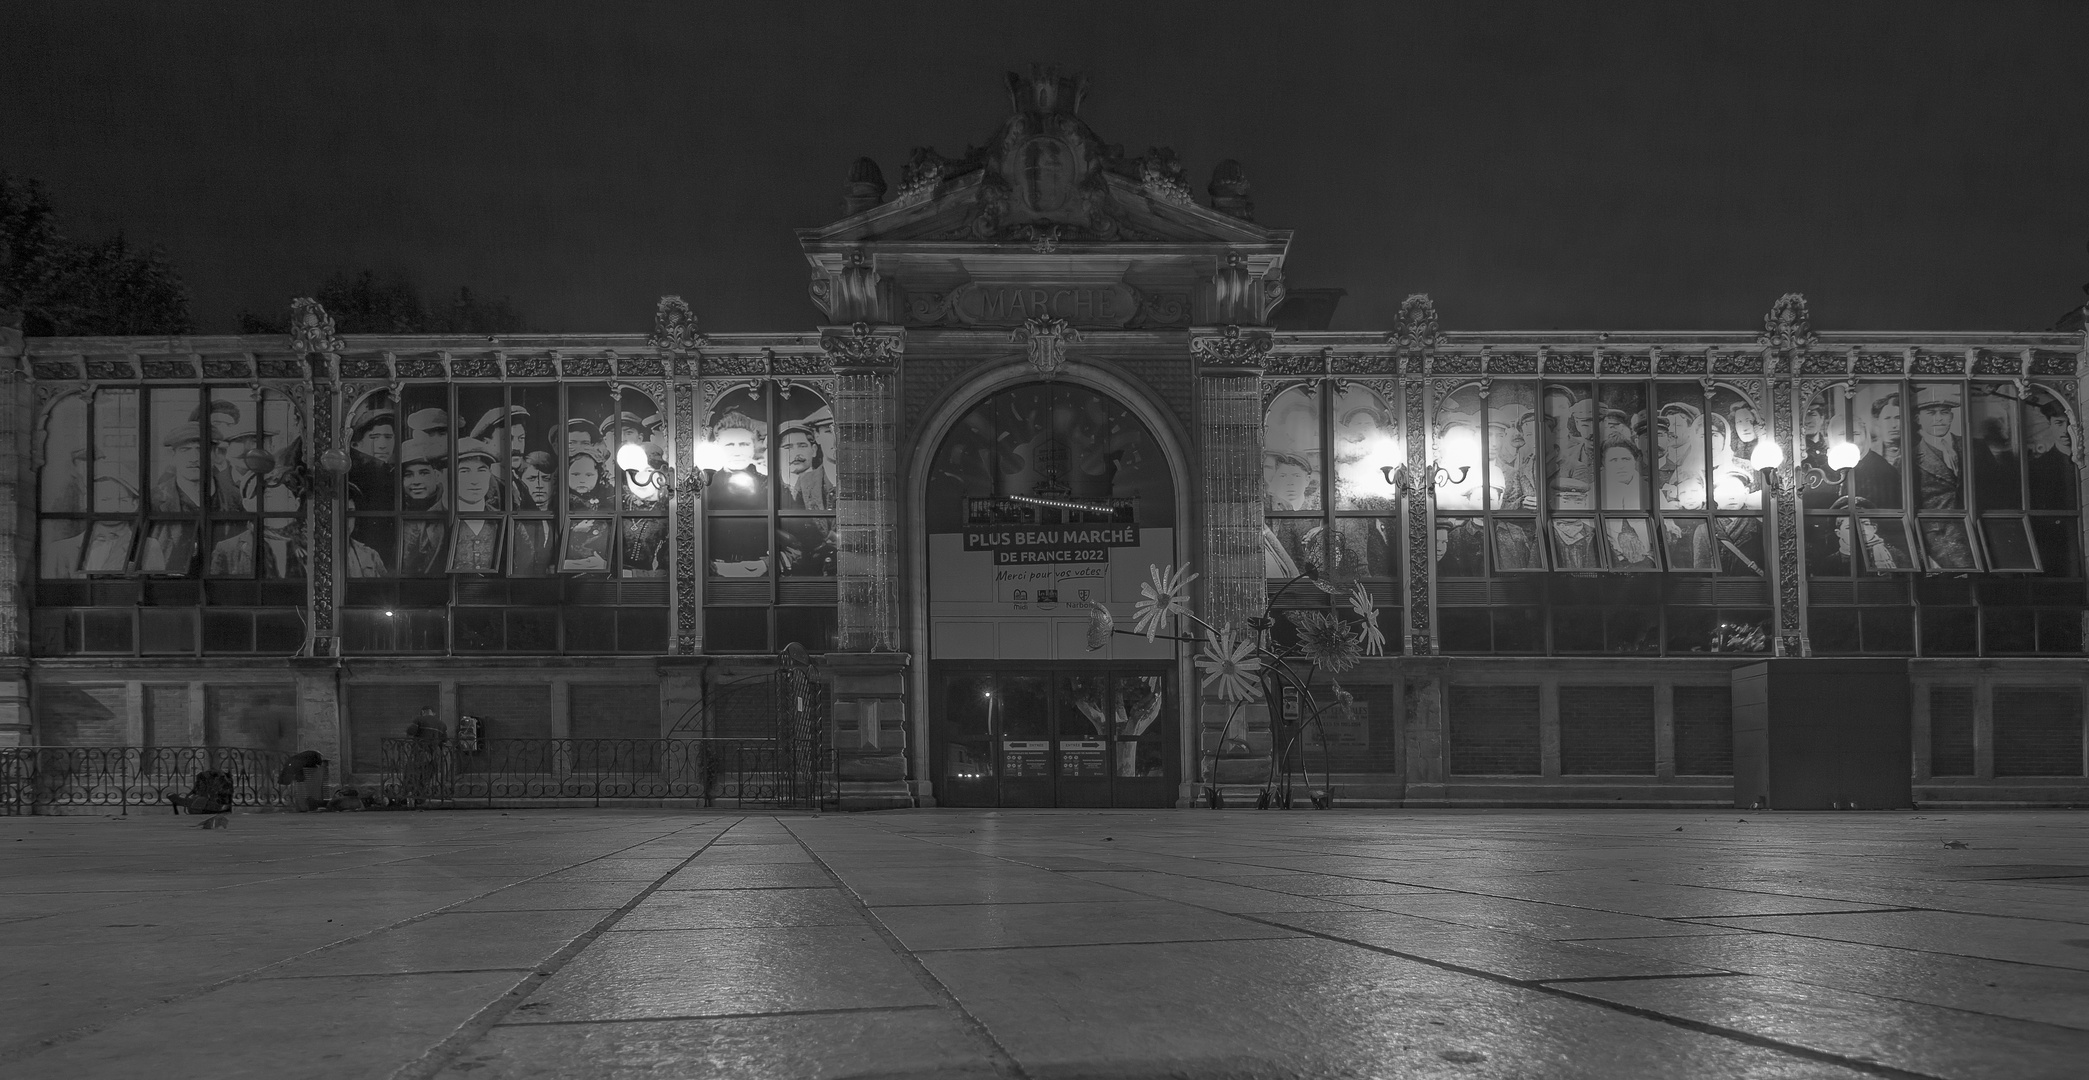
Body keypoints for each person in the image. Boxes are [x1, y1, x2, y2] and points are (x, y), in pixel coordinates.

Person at [207, 441, 308, 578]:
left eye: (285, 497)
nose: (276, 505)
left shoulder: (311, 545)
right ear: (248, 505)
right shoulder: (227, 549)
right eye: (267, 497)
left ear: (295, 504)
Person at [706, 411, 770, 510]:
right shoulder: (708, 482)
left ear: (754, 446)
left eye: (744, 444)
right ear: (717, 446)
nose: (737, 452)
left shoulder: (768, 480)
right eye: (730, 445)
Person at [1914, 386, 1963, 510]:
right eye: (1931, 413)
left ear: (1951, 417)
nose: (1939, 418)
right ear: (1918, 419)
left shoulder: (1976, 447)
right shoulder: (1909, 458)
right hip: (1934, 528)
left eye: (1944, 412)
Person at [1852, 393, 1903, 508]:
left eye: (1898, 418)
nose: (1894, 425)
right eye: (1887, 419)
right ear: (1877, 421)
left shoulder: (1915, 452)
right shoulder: (1866, 455)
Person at [346, 404, 397, 509]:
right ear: (356, 444)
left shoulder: (394, 472)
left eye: (388, 437)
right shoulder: (350, 477)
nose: (383, 445)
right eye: (374, 438)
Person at [778, 420, 834, 511]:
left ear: (814, 450)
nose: (796, 453)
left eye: (802, 446)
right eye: (788, 447)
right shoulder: (768, 487)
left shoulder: (826, 481)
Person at [1549, 479, 1599, 569]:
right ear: (1552, 503)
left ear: (1585, 504)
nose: (1571, 507)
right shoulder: (1547, 532)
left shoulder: (1593, 533)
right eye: (1565, 501)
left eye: (1578, 502)